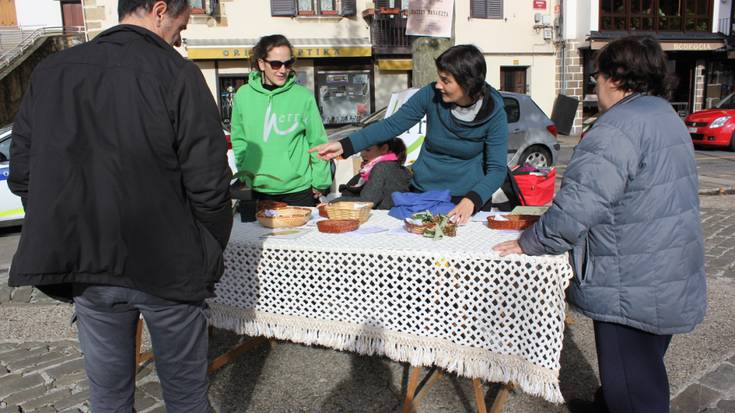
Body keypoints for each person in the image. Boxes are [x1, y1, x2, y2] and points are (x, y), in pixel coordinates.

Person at [7, 0, 232, 411]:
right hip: (168, 265)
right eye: (181, 26)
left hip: (91, 265)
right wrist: (207, 249)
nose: (181, 38)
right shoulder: (178, 73)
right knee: (185, 398)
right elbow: (211, 185)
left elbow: (24, 177)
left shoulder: (53, 71)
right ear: (159, 10)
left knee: (108, 399)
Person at [494, 35, 706, 413]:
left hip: (632, 278)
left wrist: (530, 242)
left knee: (635, 389)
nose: (595, 86)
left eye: (597, 77)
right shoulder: (664, 116)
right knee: (640, 371)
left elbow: (577, 208)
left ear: (616, 78)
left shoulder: (615, 129)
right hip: (668, 269)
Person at [310, 44, 508, 224]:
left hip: (467, 198)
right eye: (439, 77)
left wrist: (472, 200)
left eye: (446, 80)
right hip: (424, 192)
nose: (438, 84)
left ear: (468, 84)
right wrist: (345, 145)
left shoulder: (494, 112)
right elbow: (392, 125)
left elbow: (497, 169)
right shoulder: (431, 95)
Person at [230, 34, 332, 207]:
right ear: (261, 64)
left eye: (288, 63)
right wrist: (245, 172)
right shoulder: (243, 95)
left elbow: (317, 141)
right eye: (276, 64)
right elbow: (239, 139)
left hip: (298, 190)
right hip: (258, 189)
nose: (283, 70)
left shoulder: (303, 96)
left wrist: (320, 181)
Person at [331, 137, 411, 209]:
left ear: (384, 149)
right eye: (361, 150)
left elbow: (367, 200)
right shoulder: (397, 168)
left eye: (367, 150)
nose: (362, 154)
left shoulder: (381, 167)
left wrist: (335, 202)